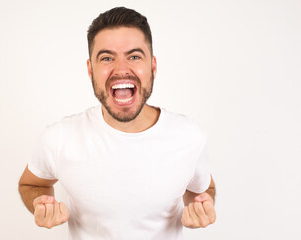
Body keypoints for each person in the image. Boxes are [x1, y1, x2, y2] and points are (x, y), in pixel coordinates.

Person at [18, 6, 216, 239]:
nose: (121, 70)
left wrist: (201, 208)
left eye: (134, 56)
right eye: (107, 58)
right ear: (90, 70)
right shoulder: (59, 138)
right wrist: (39, 204)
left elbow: (204, 188)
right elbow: (31, 184)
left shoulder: (189, 136)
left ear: (153, 66)